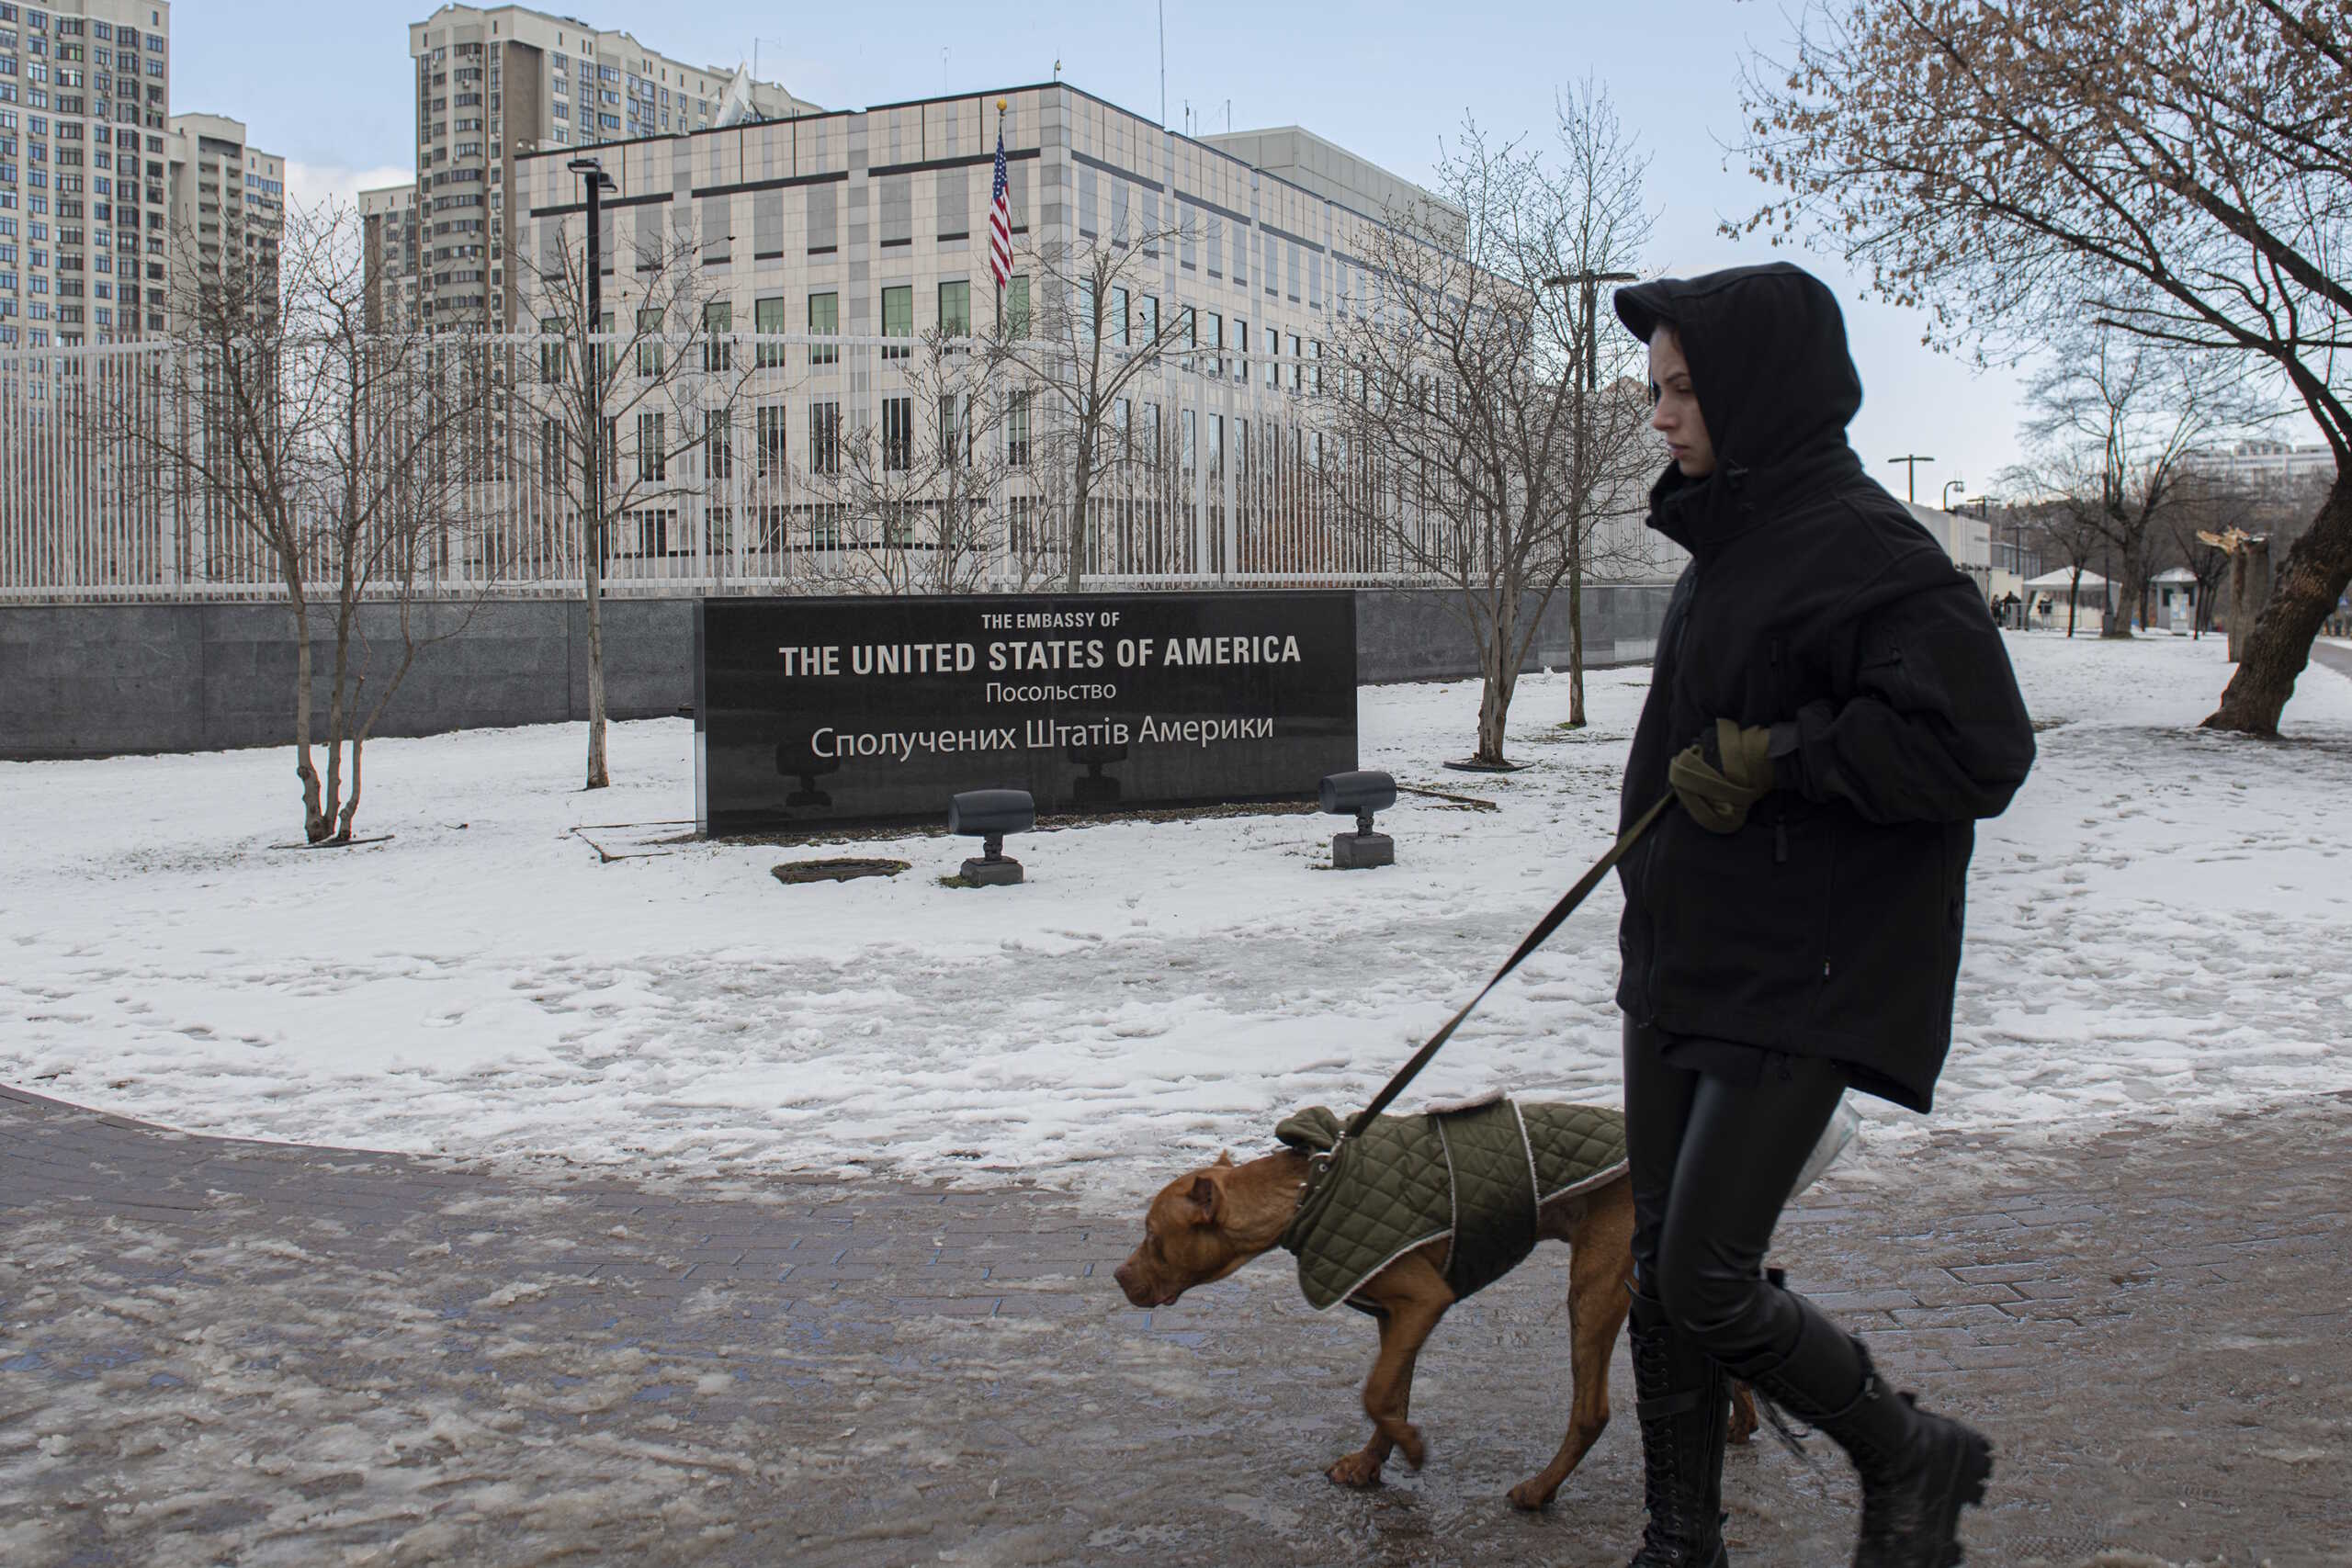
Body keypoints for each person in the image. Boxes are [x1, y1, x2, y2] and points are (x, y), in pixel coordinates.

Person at [1608, 263, 2037, 1568]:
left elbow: (1980, 748)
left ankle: (1911, 1456)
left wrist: (1781, 759)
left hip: (1802, 970)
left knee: (1707, 1275)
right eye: (1656, 391)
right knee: (1658, 1272)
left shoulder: (1866, 546)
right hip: (1685, 959)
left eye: (1681, 390)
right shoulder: (1729, 537)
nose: (1662, 416)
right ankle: (1681, 1544)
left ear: (1755, 389)